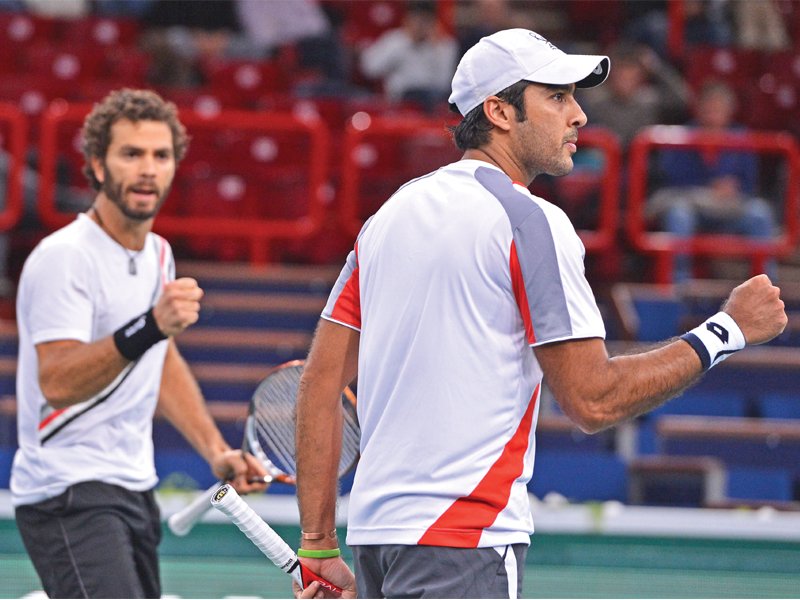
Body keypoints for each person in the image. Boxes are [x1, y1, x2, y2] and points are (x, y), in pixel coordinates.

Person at [293, 29, 787, 599]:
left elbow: (320, 383)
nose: (578, 115)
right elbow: (592, 398)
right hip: (467, 545)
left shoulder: (387, 218)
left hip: (377, 542)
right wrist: (726, 331)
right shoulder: (533, 223)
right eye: (557, 97)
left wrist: (318, 543)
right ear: (500, 111)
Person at [10, 88, 268, 599]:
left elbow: (159, 358)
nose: (148, 169)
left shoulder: (158, 255)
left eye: (160, 155)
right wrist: (150, 325)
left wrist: (215, 450)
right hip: (67, 490)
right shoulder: (64, 257)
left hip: (131, 485)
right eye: (131, 154)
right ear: (98, 167)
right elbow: (58, 382)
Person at [647, 80, 778, 283]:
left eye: (719, 108)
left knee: (760, 213)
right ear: (698, 108)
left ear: (729, 111)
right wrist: (707, 188)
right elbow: (670, 181)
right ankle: (679, 285)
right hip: (693, 206)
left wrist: (735, 188)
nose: (713, 112)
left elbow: (749, 184)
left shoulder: (741, 138)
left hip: (728, 209)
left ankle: (765, 286)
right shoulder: (680, 137)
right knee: (678, 214)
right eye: (708, 106)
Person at [359, 0, 458, 112]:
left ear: (434, 22)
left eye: (425, 20)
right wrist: (406, 44)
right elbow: (369, 68)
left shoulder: (444, 45)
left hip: (434, 101)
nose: (420, 25)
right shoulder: (394, 41)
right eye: (416, 19)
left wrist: (435, 49)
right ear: (406, 20)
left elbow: (443, 82)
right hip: (400, 100)